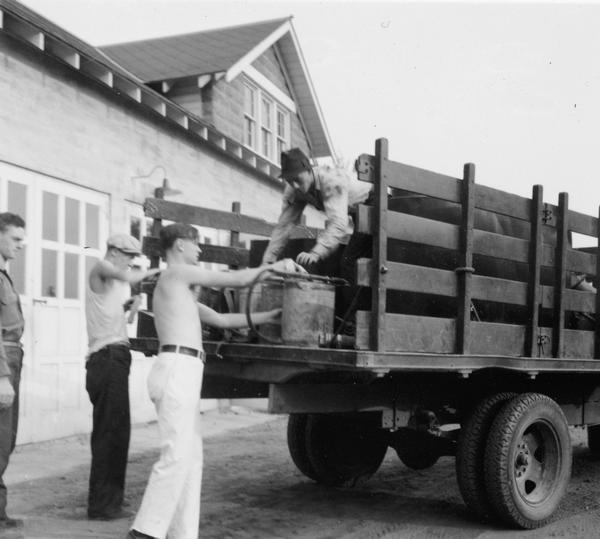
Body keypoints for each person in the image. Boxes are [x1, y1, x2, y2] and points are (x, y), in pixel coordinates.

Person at [127, 223, 303, 539]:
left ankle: (183, 534)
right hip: (177, 369)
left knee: (191, 459)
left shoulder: (178, 289)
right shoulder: (176, 274)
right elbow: (232, 279)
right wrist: (274, 266)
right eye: (196, 244)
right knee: (176, 457)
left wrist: (269, 316)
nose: (200, 250)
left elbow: (222, 320)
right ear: (180, 245)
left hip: (185, 369)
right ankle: (144, 532)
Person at [85, 234, 160, 520]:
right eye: (128, 255)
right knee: (109, 435)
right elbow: (132, 275)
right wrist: (162, 271)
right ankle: (103, 507)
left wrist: (129, 308)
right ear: (114, 252)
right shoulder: (101, 267)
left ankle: (108, 504)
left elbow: (116, 320)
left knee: (116, 434)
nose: (130, 262)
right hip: (106, 359)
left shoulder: (114, 282)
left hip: (113, 357)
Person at [261, 148, 372, 269]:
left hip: (372, 203)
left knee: (351, 262)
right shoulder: (293, 189)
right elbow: (284, 225)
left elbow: (339, 224)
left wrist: (315, 253)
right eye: (289, 181)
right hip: (354, 211)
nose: (295, 185)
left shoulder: (330, 181)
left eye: (297, 180)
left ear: (309, 170)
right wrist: (268, 261)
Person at [0, 213, 26, 530]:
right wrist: (2, 377)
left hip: (12, 355)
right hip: (3, 358)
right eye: (15, 239)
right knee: (0, 439)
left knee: (6, 440)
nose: (21, 246)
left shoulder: (5, 274)